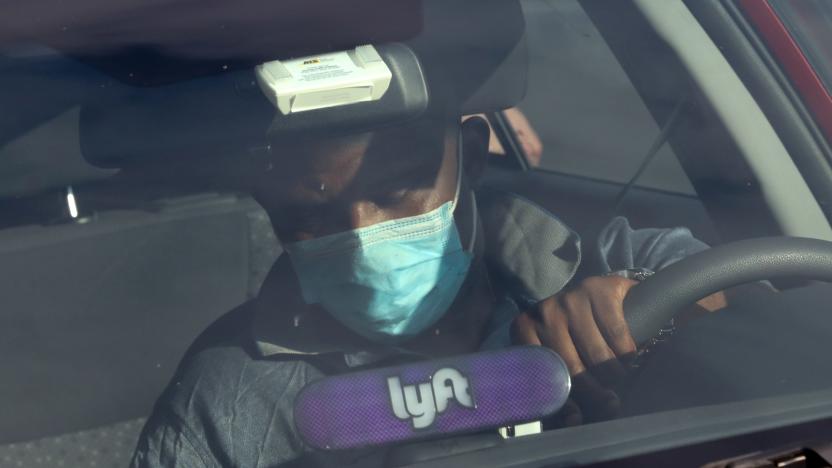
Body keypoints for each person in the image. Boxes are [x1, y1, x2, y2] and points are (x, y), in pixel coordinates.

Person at [130, 112, 726, 467]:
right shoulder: (229, 390)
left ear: (469, 155)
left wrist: (647, 309)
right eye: (311, 215)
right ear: (269, 209)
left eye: (394, 192)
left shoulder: (608, 261)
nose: (363, 240)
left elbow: (773, 313)